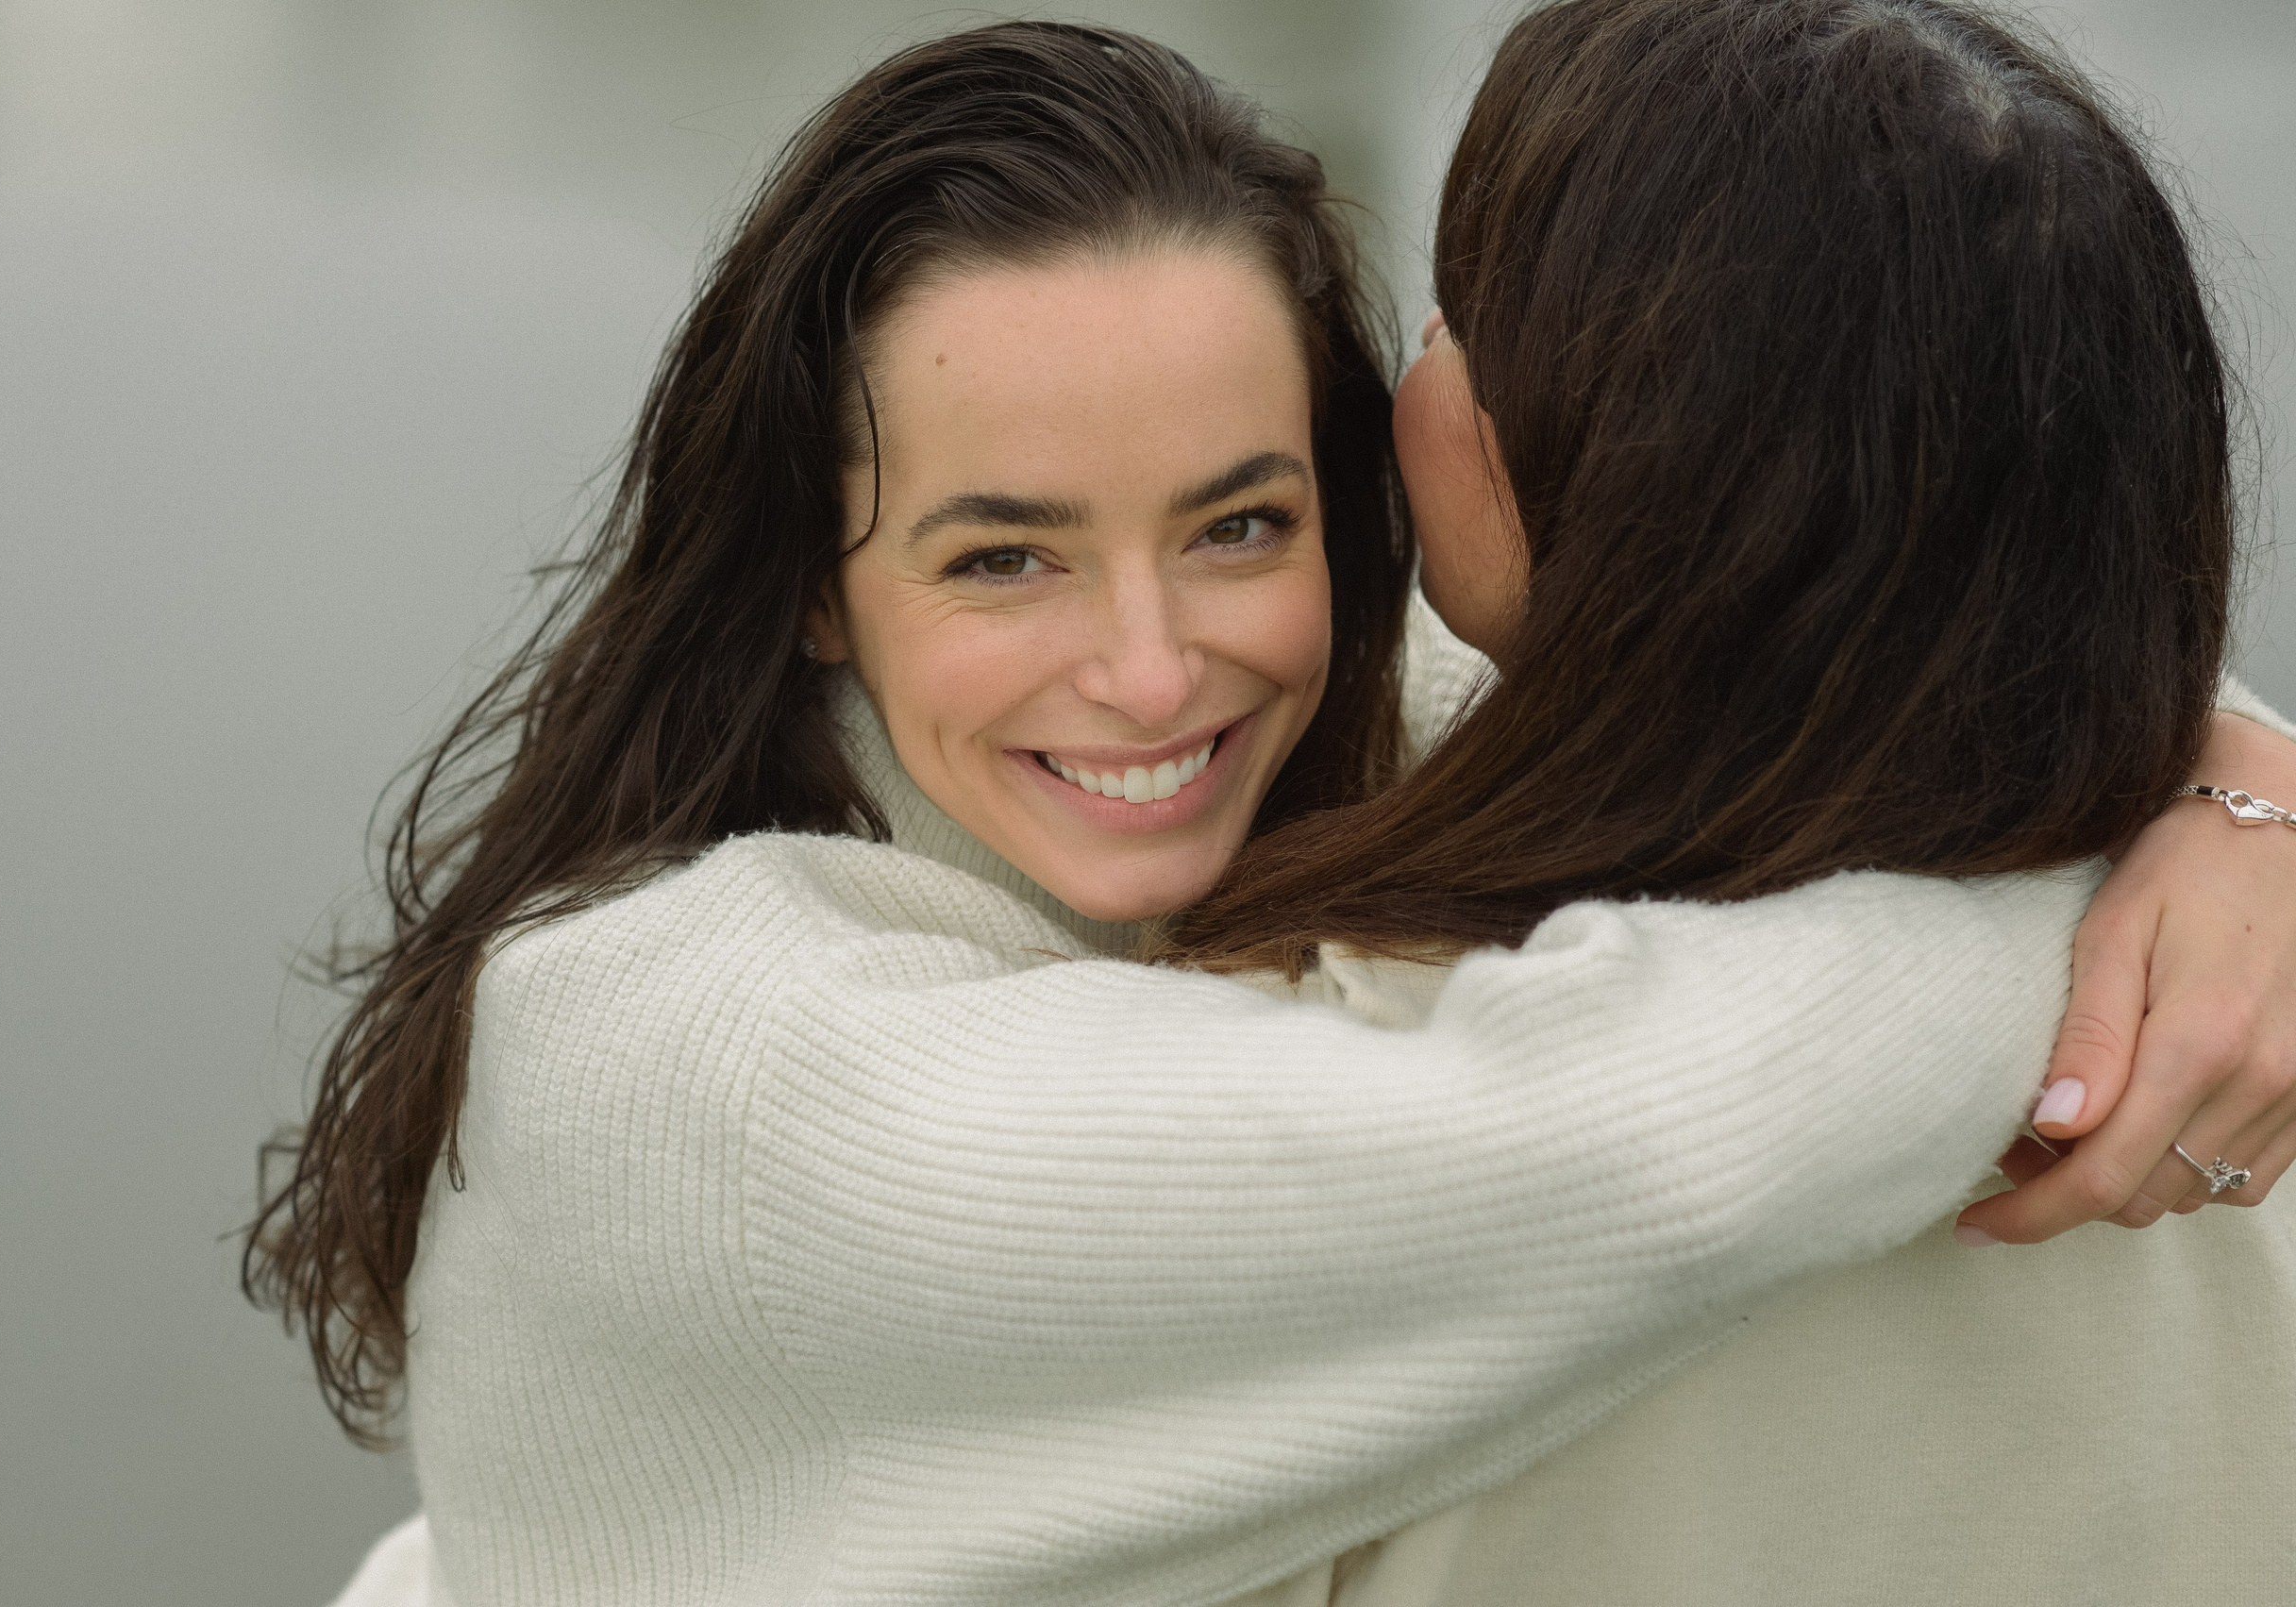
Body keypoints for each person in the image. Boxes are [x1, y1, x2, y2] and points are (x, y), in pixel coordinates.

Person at [264, 21, 2296, 1607]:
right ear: (807, 571)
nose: (1153, 674)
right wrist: (2127, 867)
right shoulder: (679, 1048)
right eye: (999, 560)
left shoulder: (1391, 727)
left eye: (1238, 522)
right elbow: (1642, 1137)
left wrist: (2219, 773)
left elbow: (1872, 605)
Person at [1164, 2, 2290, 1599]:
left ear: (1629, 495)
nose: (1421, 358)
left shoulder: (1336, 1088)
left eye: (1464, 316)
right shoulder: (2233, 1022)